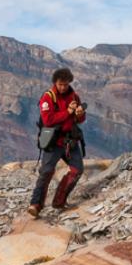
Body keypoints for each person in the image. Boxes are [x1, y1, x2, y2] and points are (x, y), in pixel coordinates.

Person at [27, 68, 87, 218]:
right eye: (60, 84)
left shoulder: (74, 97)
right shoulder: (48, 97)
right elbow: (48, 120)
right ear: (55, 82)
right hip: (53, 142)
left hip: (70, 141)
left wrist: (80, 114)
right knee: (46, 172)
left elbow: (79, 120)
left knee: (77, 170)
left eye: (66, 84)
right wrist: (67, 111)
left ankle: (59, 201)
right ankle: (35, 204)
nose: (63, 87)